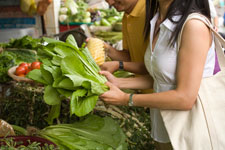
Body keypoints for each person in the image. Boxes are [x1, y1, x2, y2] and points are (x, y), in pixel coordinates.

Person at [100, 0, 215, 149]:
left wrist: (126, 99)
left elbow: (185, 98)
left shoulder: (193, 26)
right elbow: (162, 77)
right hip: (163, 127)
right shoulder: (157, 21)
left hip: (191, 134)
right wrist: (118, 83)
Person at [100, 0, 149, 73]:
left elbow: (156, 68)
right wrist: (107, 49)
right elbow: (130, 57)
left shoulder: (151, 13)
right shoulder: (126, 16)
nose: (110, 3)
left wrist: (119, 65)